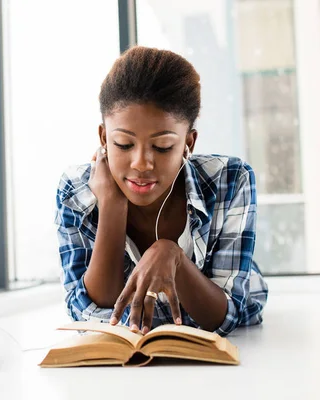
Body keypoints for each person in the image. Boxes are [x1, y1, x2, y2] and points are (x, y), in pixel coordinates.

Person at [54, 46, 268, 337]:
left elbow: (225, 316)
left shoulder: (230, 180)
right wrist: (112, 206)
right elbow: (89, 314)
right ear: (104, 137)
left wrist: (173, 256)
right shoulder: (76, 190)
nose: (141, 163)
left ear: (188, 144)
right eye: (123, 144)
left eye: (163, 147)